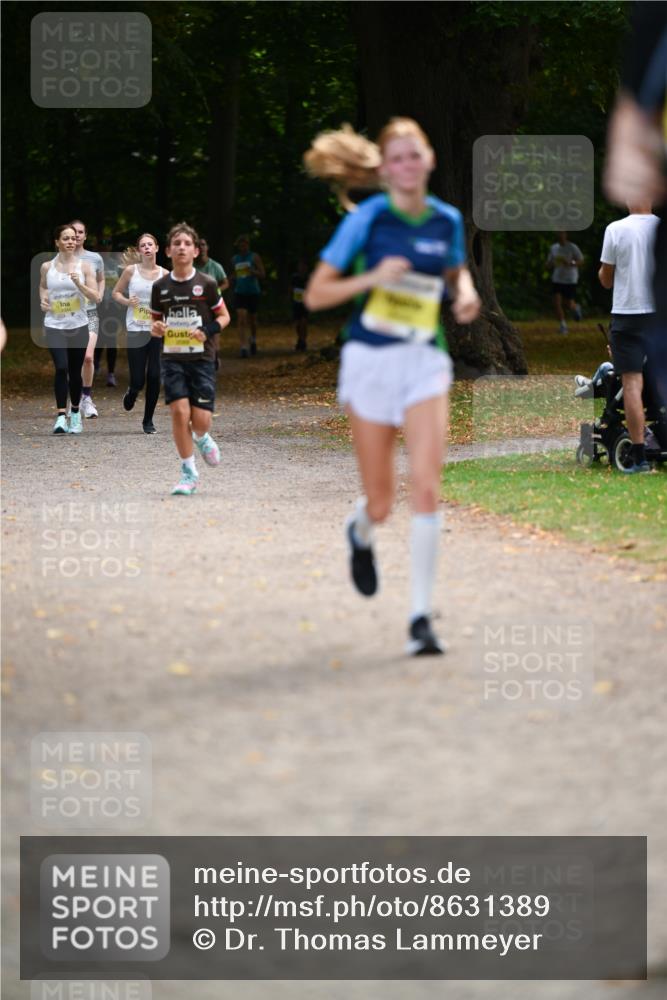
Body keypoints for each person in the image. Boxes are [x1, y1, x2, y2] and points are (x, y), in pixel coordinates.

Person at [303, 118, 480, 655]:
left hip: (424, 360)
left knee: (427, 483)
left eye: (414, 155)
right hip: (370, 363)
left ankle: (420, 618)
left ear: (428, 161)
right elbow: (316, 294)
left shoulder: (446, 219)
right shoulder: (369, 219)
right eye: (396, 158)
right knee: (381, 503)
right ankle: (360, 531)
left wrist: (466, 293)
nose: (406, 165)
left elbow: (455, 272)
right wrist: (371, 280)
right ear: (384, 169)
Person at [150, 222, 231, 494]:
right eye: (177, 244)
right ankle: (188, 472)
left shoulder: (207, 284)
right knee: (178, 411)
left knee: (200, 420)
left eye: (187, 244)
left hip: (203, 359)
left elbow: (224, 316)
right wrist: (157, 328)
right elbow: (154, 322)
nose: (181, 247)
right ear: (168, 251)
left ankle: (203, 437)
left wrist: (206, 331)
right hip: (172, 359)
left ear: (195, 251)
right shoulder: (160, 287)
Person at [598, 202, 660, 472]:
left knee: (632, 385)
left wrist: (603, 271)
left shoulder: (615, 230)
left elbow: (606, 279)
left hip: (627, 314)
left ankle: (641, 458)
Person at [39, 224, 99, 434]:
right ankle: (60, 417)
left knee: (75, 372)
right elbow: (43, 287)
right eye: (66, 238)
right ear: (57, 242)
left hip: (78, 325)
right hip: (54, 325)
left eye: (73, 238)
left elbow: (96, 297)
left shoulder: (85, 267)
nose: (71, 241)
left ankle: (75, 413)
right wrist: (43, 300)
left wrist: (79, 285)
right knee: (61, 368)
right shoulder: (47, 267)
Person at [112, 234, 168, 434]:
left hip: (156, 330)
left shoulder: (165, 275)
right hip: (135, 328)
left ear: (157, 248)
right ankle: (133, 391)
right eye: (142, 245)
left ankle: (148, 420)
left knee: (155, 375)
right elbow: (115, 293)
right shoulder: (130, 271)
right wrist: (128, 302)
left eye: (150, 244)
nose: (146, 248)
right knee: (138, 378)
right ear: (139, 250)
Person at [70, 219, 105, 416]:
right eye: (73, 231)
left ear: (85, 235)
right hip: (68, 315)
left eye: (80, 232)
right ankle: (73, 398)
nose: (76, 235)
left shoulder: (94, 258)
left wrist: (98, 294)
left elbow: (100, 280)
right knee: (72, 360)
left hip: (90, 312)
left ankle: (86, 398)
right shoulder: (59, 259)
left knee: (88, 357)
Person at [94, 236, 124, 386]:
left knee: (111, 340)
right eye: (102, 244)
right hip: (97, 307)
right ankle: (96, 364)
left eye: (108, 244)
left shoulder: (116, 265)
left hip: (112, 308)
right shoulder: (92, 265)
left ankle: (111, 374)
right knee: (98, 339)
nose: (105, 248)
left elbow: (123, 285)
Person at [196, 237, 230, 369]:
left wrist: (216, 291)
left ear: (207, 247)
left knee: (214, 330)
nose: (201, 247)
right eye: (199, 245)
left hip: (213, 302)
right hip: (196, 303)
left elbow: (226, 282)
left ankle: (215, 355)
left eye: (203, 244)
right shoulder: (191, 267)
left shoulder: (215, 266)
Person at [231, 235, 265, 357]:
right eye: (240, 244)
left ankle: (253, 340)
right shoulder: (235, 259)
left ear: (248, 244)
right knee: (241, 318)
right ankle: (243, 347)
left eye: (244, 244)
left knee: (253, 320)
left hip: (253, 292)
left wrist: (253, 272)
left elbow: (262, 274)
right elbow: (235, 275)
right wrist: (233, 278)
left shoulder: (254, 257)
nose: (242, 246)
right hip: (239, 292)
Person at [546, 231, 583, 334]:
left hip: (570, 279)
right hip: (557, 278)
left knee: (568, 303)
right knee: (557, 302)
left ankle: (575, 307)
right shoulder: (553, 248)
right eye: (558, 233)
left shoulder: (572, 247)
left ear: (566, 235)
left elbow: (581, 260)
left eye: (562, 233)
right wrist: (551, 263)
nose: (560, 235)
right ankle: (563, 325)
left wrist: (571, 263)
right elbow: (548, 263)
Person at [290, 258, 310, 351]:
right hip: (296, 302)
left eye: (303, 266)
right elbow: (291, 288)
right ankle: (300, 338)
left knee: (303, 321)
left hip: (306, 303)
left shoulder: (309, 277)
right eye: (299, 266)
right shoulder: (294, 277)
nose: (301, 268)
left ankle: (303, 341)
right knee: (298, 323)